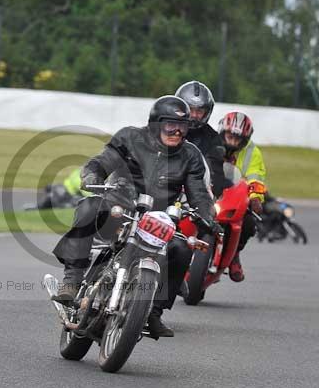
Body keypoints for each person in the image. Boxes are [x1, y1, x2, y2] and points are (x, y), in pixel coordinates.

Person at [52, 95, 215, 337]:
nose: (178, 132)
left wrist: (207, 216)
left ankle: (154, 312)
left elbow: (198, 192)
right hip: (119, 207)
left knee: (181, 248)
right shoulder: (129, 137)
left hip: (158, 218)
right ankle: (72, 279)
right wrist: (93, 176)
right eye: (171, 126)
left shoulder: (190, 155)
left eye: (183, 127)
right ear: (156, 124)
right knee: (88, 208)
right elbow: (102, 161)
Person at [218, 111, 267, 282]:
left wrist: (255, 198)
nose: (233, 141)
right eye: (230, 136)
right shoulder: (210, 142)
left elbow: (256, 177)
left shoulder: (252, 152)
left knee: (249, 223)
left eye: (237, 138)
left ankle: (234, 254)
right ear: (223, 131)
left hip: (236, 195)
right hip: (207, 191)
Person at [174, 80, 227, 197]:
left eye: (199, 111)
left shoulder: (213, 139)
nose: (193, 115)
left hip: (196, 195)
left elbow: (216, 173)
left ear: (207, 112)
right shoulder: (167, 130)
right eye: (190, 109)